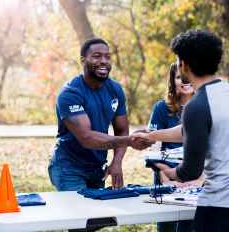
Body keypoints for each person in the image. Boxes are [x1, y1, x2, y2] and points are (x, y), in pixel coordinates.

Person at [133, 29, 228, 232]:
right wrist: (150, 136)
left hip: (217, 207)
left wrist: (166, 172)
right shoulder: (224, 95)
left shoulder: (196, 106)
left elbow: (190, 170)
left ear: (183, 65)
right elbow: (189, 130)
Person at [48, 37, 154, 195]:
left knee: (100, 218)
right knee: (79, 217)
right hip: (69, 169)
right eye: (97, 56)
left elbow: (121, 129)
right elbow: (86, 137)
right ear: (83, 61)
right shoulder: (70, 93)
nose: (104, 61)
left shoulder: (115, 89)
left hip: (98, 169)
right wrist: (130, 141)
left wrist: (116, 161)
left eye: (107, 56)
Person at [148, 61, 204, 232]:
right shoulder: (161, 108)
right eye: (180, 77)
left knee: (189, 227)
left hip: (197, 179)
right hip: (166, 176)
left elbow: (212, 150)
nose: (185, 82)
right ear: (173, 81)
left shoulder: (205, 107)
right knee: (166, 227)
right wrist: (165, 179)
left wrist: (199, 180)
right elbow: (154, 148)